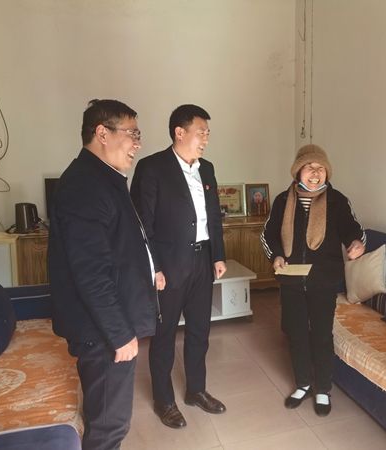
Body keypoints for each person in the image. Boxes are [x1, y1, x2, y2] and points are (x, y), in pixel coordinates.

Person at [48, 99, 164, 450]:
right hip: (102, 332)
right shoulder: (86, 186)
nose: (137, 144)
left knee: (107, 418)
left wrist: (150, 269)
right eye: (133, 134)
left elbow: (121, 243)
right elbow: (91, 273)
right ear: (102, 133)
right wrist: (120, 334)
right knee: (109, 426)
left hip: (108, 324)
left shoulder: (104, 178)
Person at [130, 104, 227, 429]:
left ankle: (196, 390)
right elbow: (142, 224)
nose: (206, 139)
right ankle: (164, 400)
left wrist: (218, 255)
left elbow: (214, 216)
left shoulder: (207, 169)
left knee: (200, 331)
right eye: (201, 133)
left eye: (208, 133)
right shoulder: (152, 168)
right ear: (179, 132)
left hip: (202, 261)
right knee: (164, 335)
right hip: (168, 266)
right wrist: (153, 267)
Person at [261, 144, 365, 416]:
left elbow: (353, 229)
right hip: (291, 280)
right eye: (310, 167)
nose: (316, 173)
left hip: (324, 280)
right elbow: (268, 234)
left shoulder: (337, 201)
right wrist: (276, 255)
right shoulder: (283, 200)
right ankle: (303, 383)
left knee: (321, 335)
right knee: (296, 333)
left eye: (321, 168)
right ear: (298, 171)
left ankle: (323, 389)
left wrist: (356, 242)